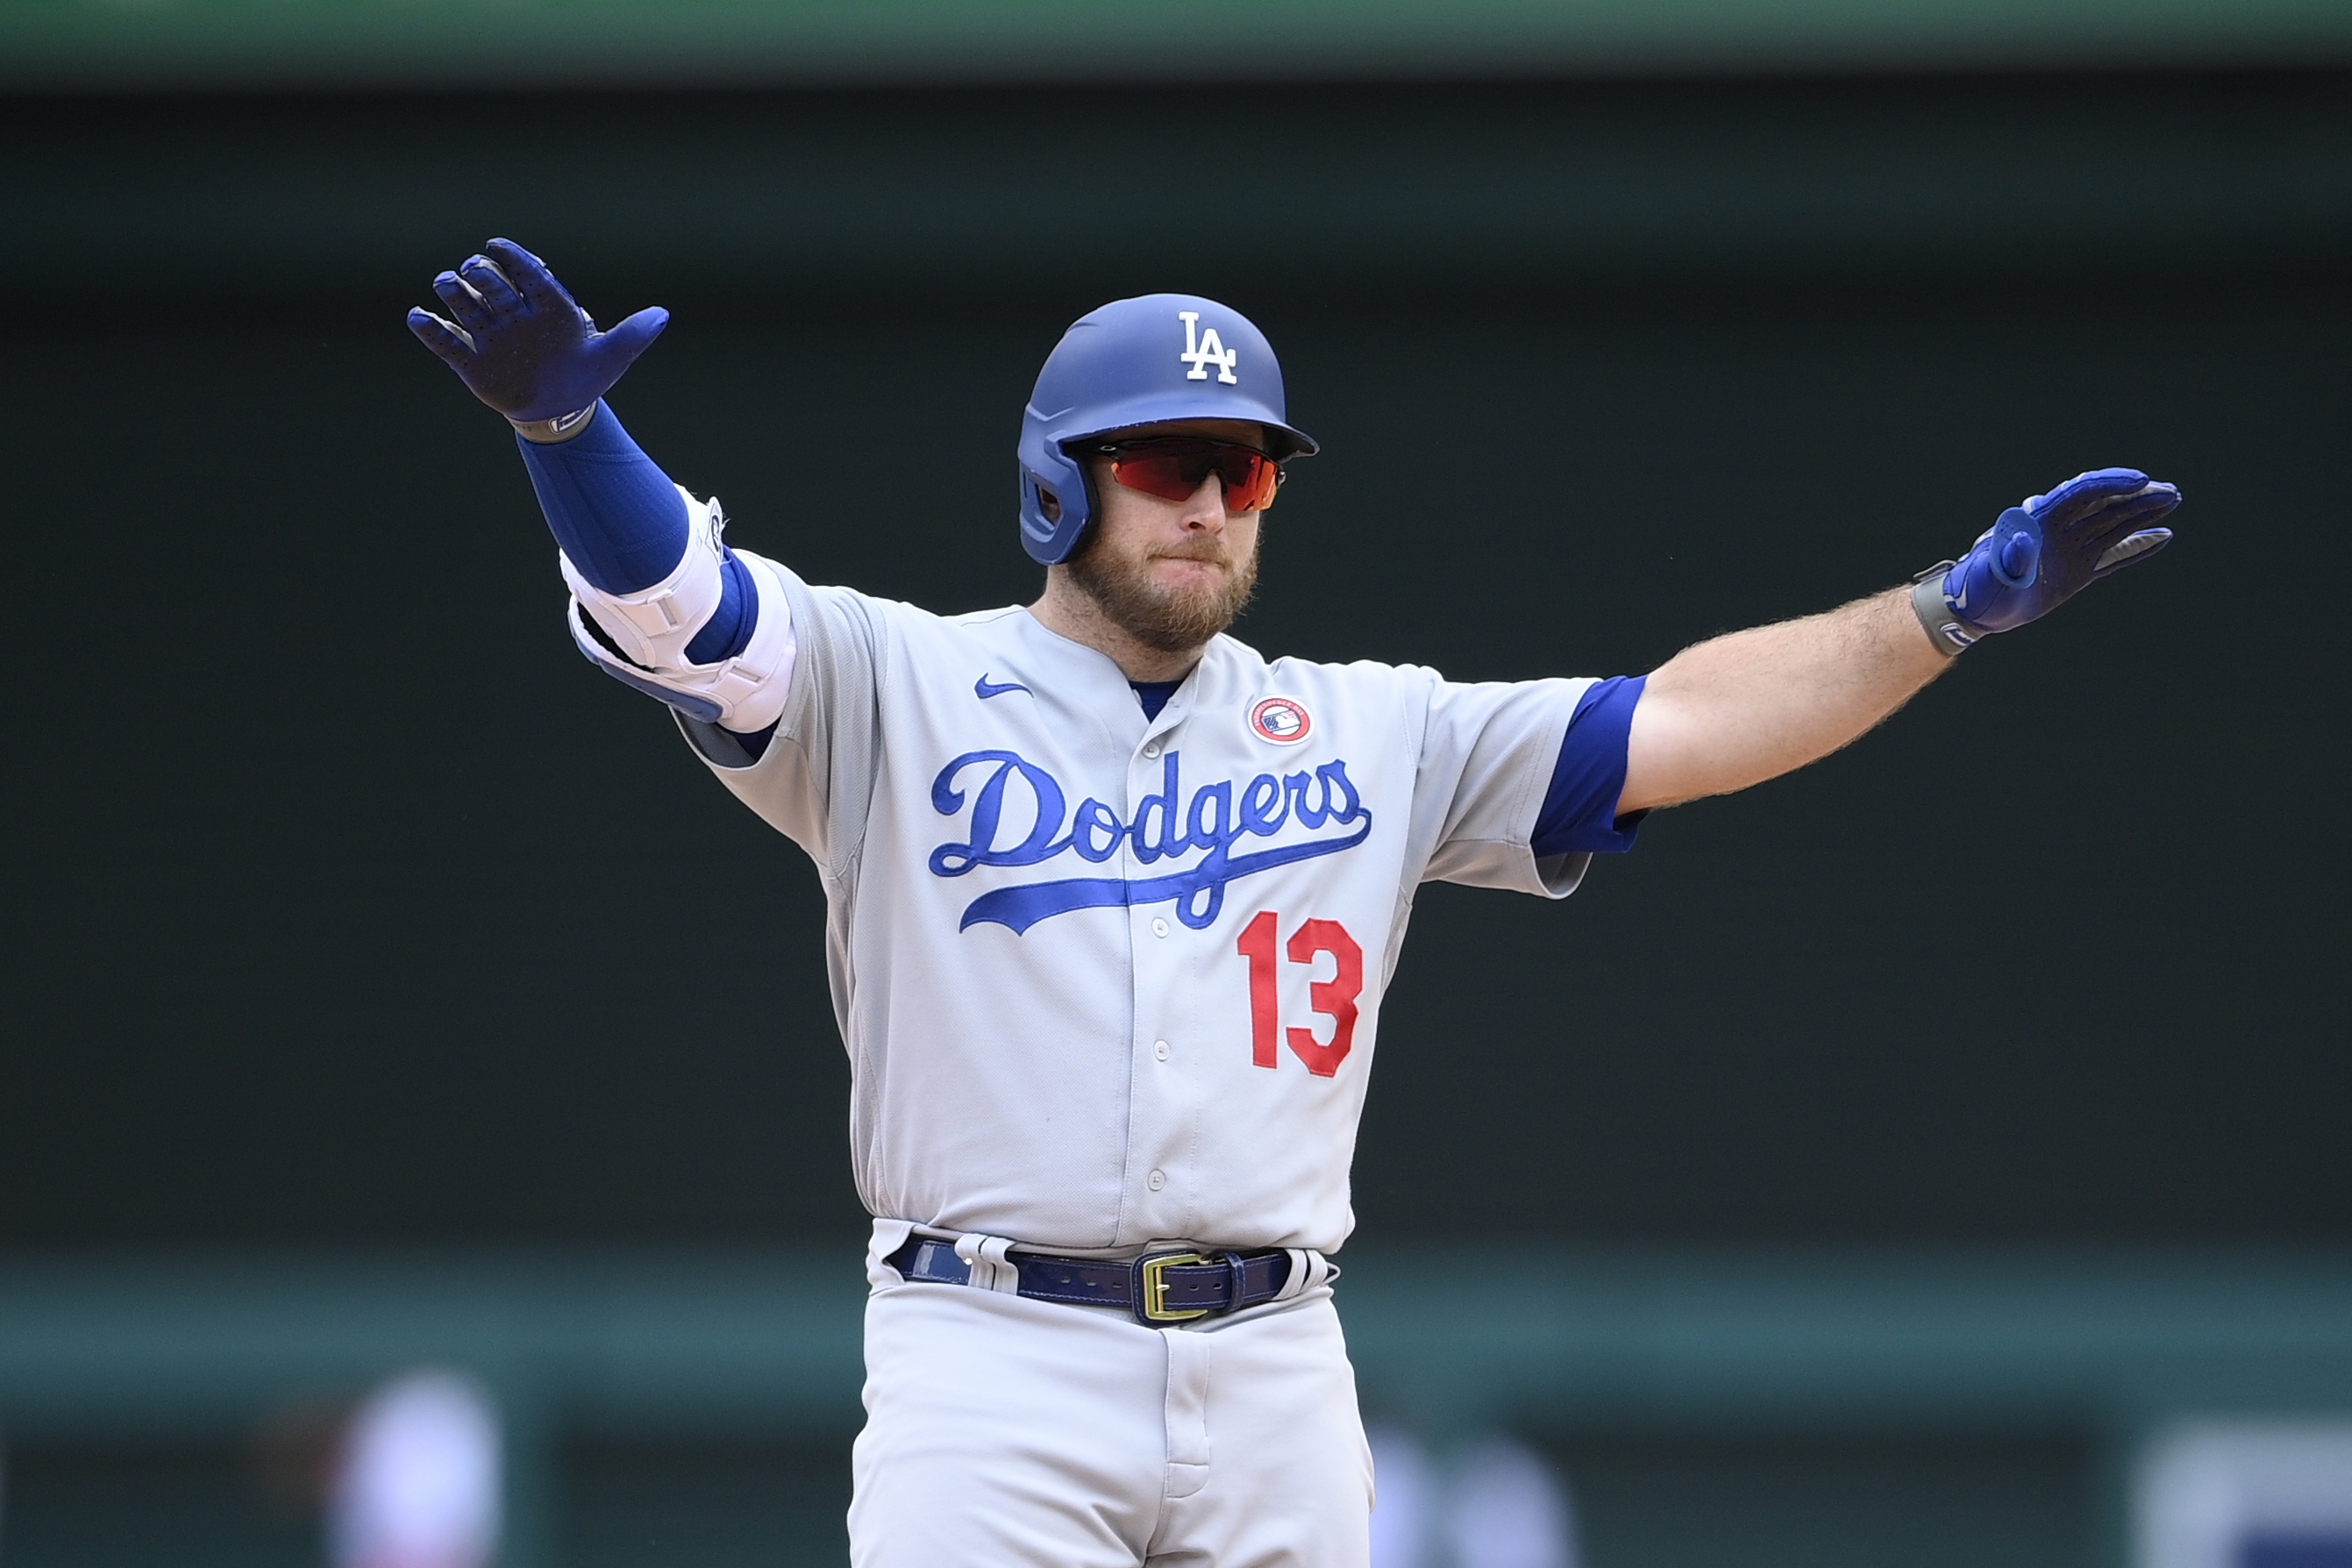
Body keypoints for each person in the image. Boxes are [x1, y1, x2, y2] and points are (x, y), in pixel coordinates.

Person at [409, 239, 2179, 1567]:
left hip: (1279, 1366)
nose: (1207, 504)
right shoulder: (893, 687)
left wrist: (1943, 614)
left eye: (1241, 468)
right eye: (1163, 460)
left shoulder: (1372, 723)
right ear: (1054, 482)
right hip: (991, 1359)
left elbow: (1689, 724)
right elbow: (685, 615)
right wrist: (570, 430)